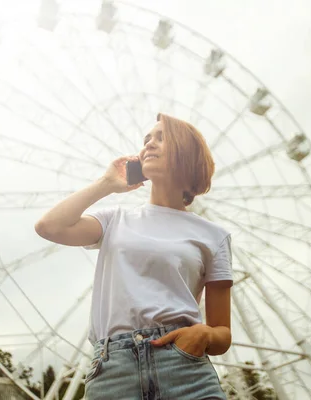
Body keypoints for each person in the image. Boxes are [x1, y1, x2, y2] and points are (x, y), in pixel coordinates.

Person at [35, 113, 232, 399]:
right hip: (114, 371)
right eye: (146, 139)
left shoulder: (213, 236)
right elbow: (48, 227)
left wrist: (201, 335)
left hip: (184, 369)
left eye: (162, 138)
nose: (149, 144)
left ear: (187, 153)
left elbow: (222, 333)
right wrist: (106, 183)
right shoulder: (114, 219)